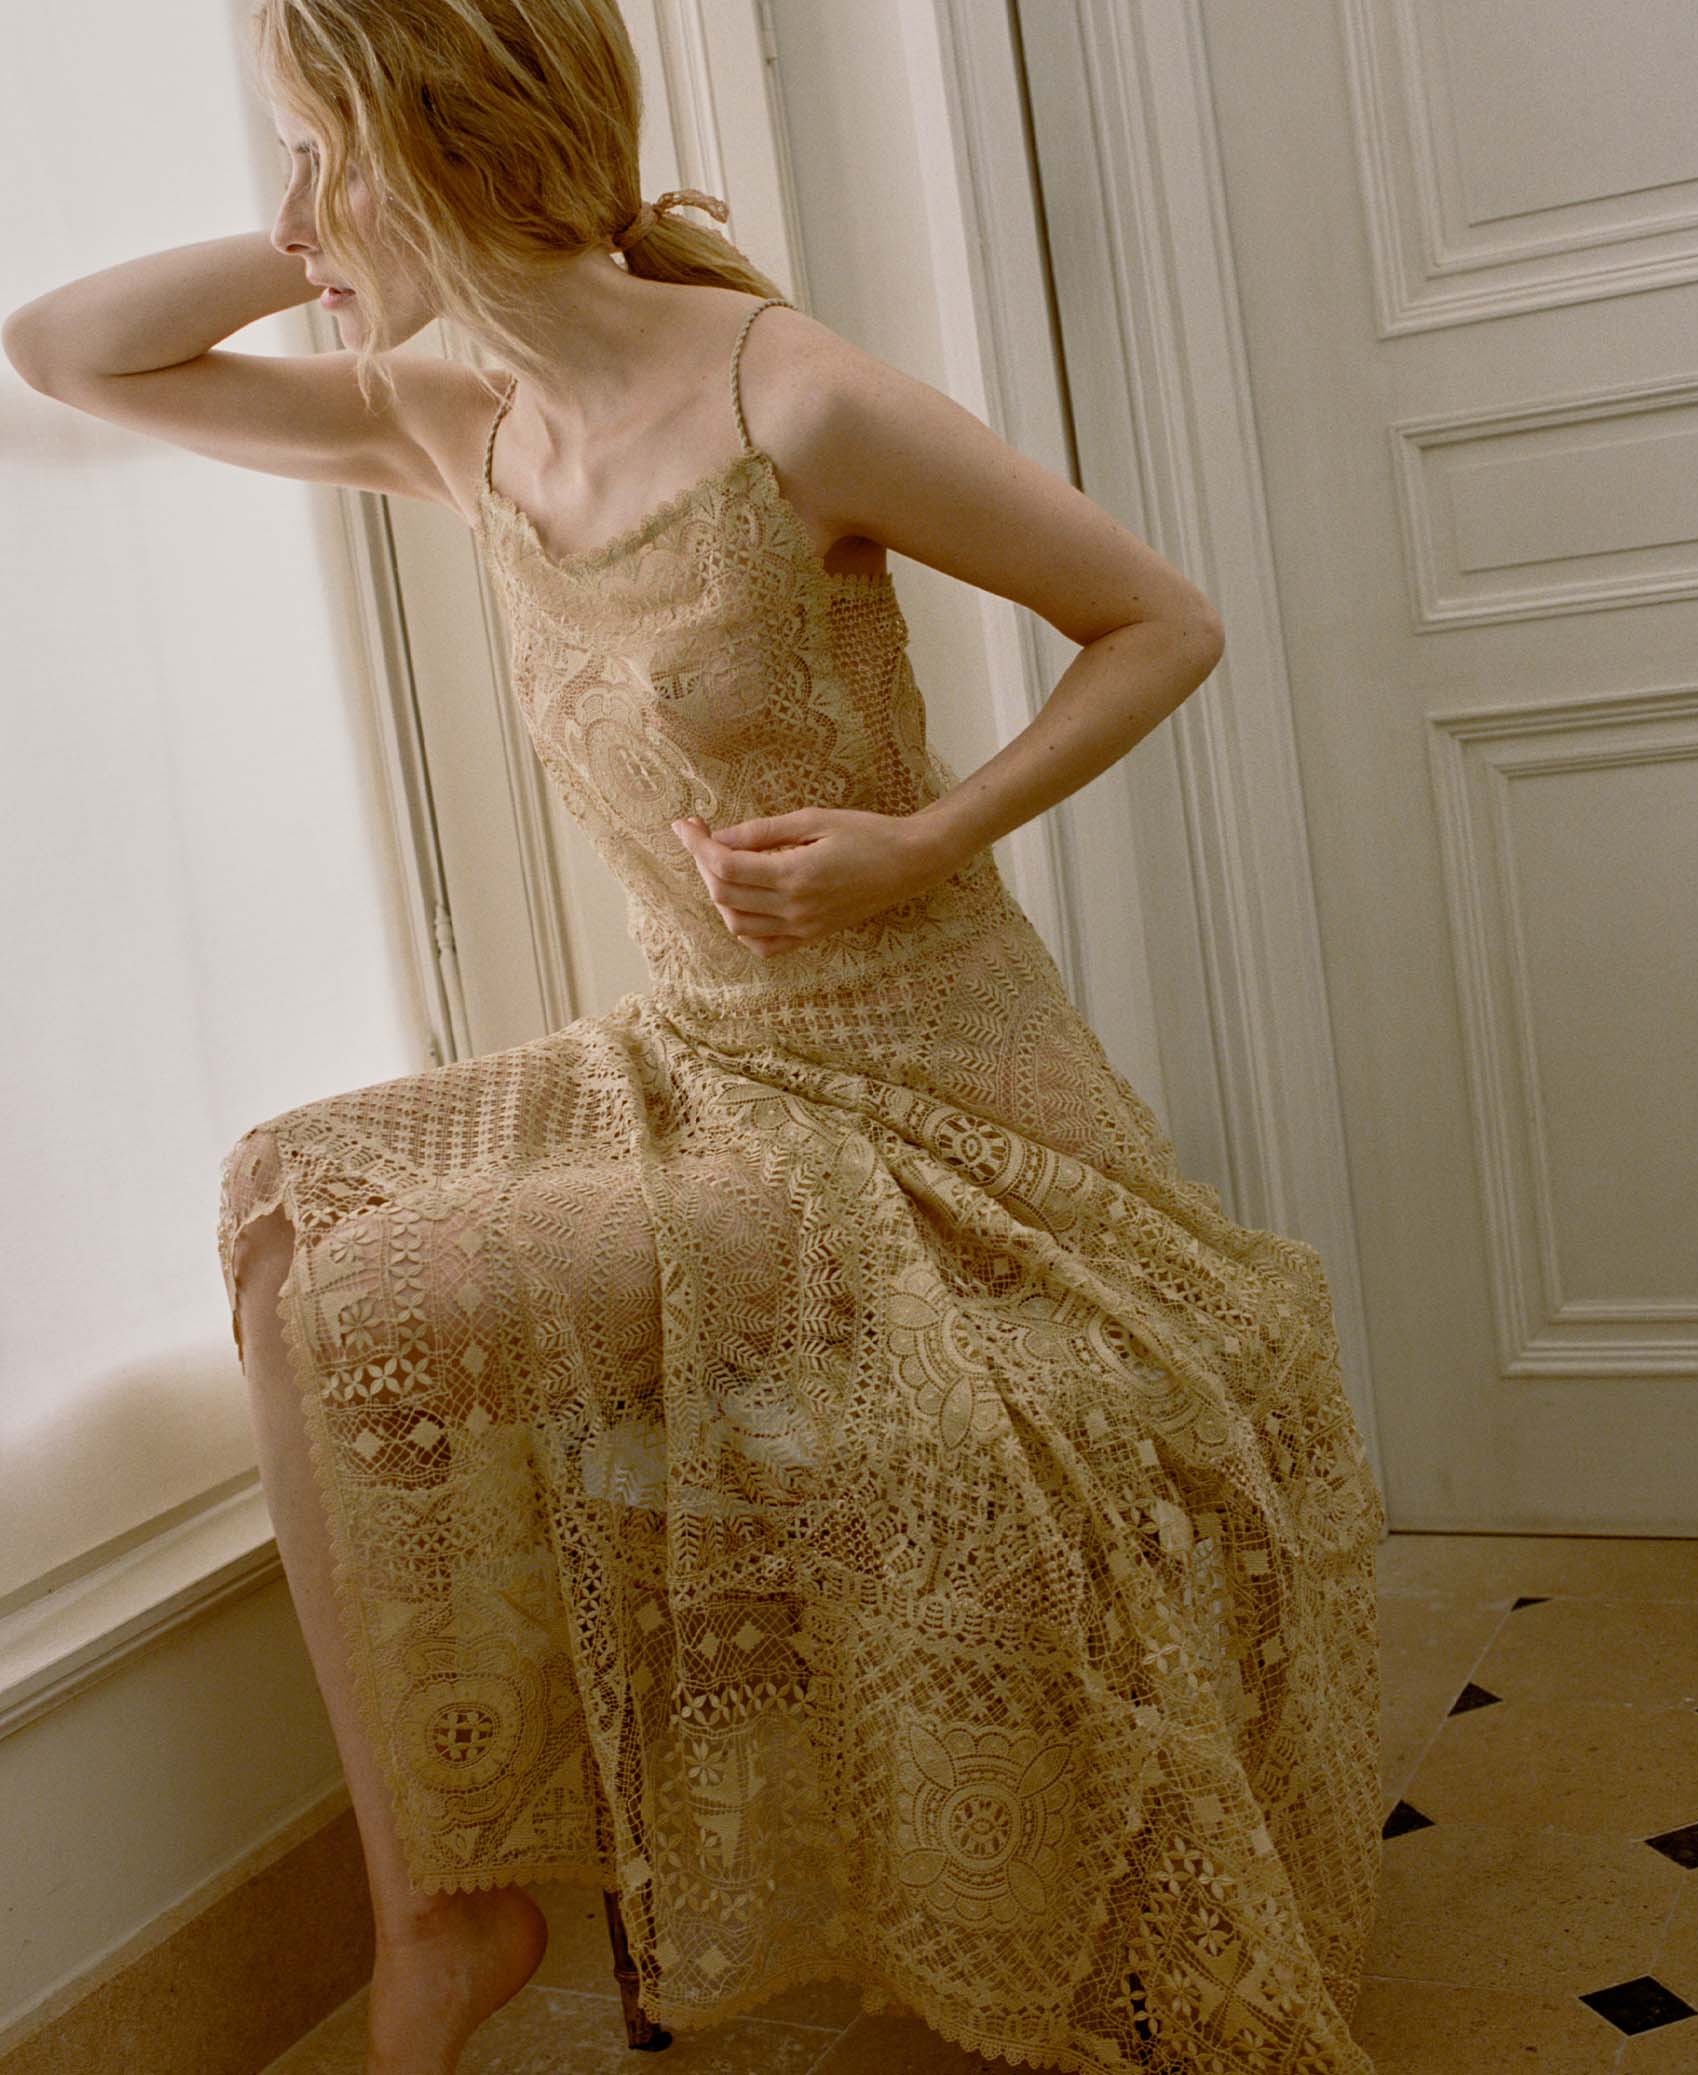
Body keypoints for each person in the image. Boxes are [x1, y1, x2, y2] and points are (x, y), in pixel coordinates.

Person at [3, 3, 1387, 2070]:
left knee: (371, 1279)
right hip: (700, 1059)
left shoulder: (794, 401)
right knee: (297, 1221)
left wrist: (922, 837)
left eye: (316, 151)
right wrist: (323, 214)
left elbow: (1162, 619)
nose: (294, 210)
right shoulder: (450, 416)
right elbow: (66, 350)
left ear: (435, 147)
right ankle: (441, 1912)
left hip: (931, 1088)